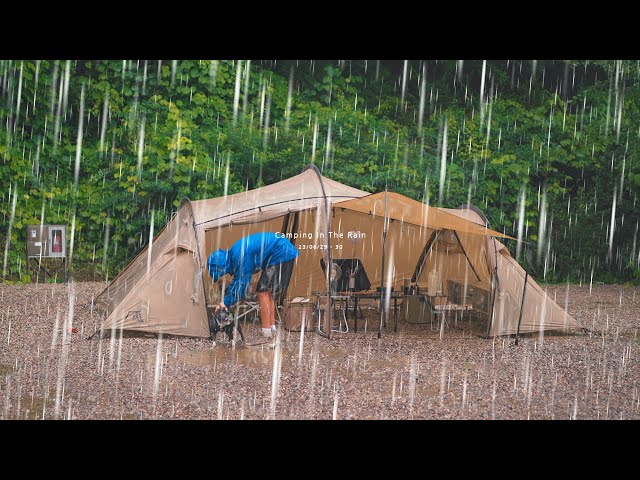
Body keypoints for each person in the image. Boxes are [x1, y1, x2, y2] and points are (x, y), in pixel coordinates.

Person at [207, 232, 299, 345]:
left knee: (262, 291)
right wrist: (225, 301)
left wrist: (225, 303)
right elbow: (238, 279)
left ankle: (267, 336)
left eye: (222, 272)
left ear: (222, 266)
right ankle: (272, 329)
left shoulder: (239, 256)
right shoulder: (234, 253)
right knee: (267, 292)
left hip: (280, 253)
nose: (225, 273)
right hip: (283, 250)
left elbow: (241, 284)